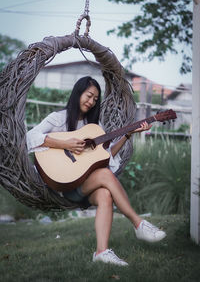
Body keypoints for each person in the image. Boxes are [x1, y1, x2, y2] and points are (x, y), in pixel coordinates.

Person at [27, 76, 166, 266]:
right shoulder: (58, 118)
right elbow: (30, 137)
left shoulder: (93, 127)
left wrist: (127, 135)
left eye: (94, 99)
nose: (91, 101)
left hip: (85, 188)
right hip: (64, 185)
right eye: (89, 95)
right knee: (105, 175)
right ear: (78, 92)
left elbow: (106, 156)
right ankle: (138, 224)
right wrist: (64, 143)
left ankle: (101, 252)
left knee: (105, 195)